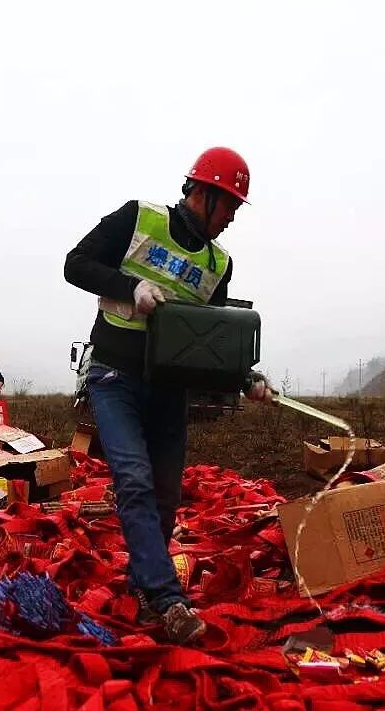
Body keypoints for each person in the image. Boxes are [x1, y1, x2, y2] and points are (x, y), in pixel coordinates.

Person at [63, 147, 273, 645]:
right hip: (116, 378)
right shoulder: (138, 219)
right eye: (228, 209)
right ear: (203, 194)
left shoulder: (218, 263)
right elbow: (76, 264)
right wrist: (129, 286)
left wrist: (248, 377)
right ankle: (167, 598)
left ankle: (143, 590)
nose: (229, 221)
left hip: (169, 390)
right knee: (133, 480)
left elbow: (215, 343)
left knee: (164, 496)